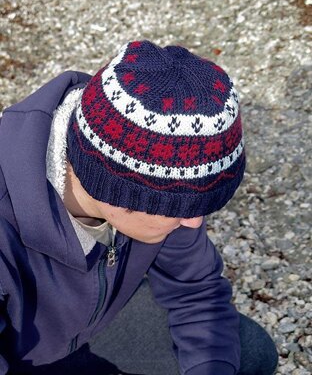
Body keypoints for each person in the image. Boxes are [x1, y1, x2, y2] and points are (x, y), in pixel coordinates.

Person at [0, 40, 278, 375]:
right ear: (117, 189)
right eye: (178, 208)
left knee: (247, 352)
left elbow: (195, 291)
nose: (194, 222)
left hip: (93, 326)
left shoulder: (161, 186)